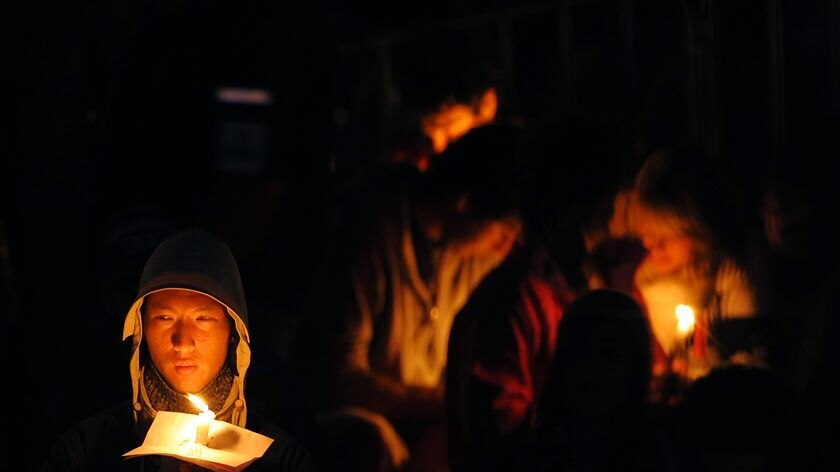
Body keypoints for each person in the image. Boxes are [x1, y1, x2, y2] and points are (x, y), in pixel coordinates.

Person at [294, 123, 524, 472]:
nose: (502, 247)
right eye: (502, 232)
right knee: (369, 439)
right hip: (351, 424)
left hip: (422, 427)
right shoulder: (372, 229)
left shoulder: (470, 256)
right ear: (463, 203)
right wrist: (440, 403)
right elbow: (338, 376)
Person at [444, 117, 641, 471]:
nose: (622, 212)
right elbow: (501, 439)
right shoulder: (510, 304)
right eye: (617, 195)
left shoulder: (595, 282)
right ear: (586, 205)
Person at [39, 227, 315, 471]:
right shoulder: (85, 452)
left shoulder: (278, 459)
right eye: (165, 318)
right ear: (142, 330)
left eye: (203, 319)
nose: (183, 341)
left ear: (233, 332)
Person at [626, 147, 765, 403]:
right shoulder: (638, 284)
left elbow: (753, 371)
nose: (651, 244)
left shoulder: (728, 279)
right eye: (647, 231)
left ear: (697, 228)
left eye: (665, 235)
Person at [526, 289, 676, 472]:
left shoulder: (650, 456)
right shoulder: (536, 451)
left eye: (608, 355)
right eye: (579, 352)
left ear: (634, 366)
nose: (591, 368)